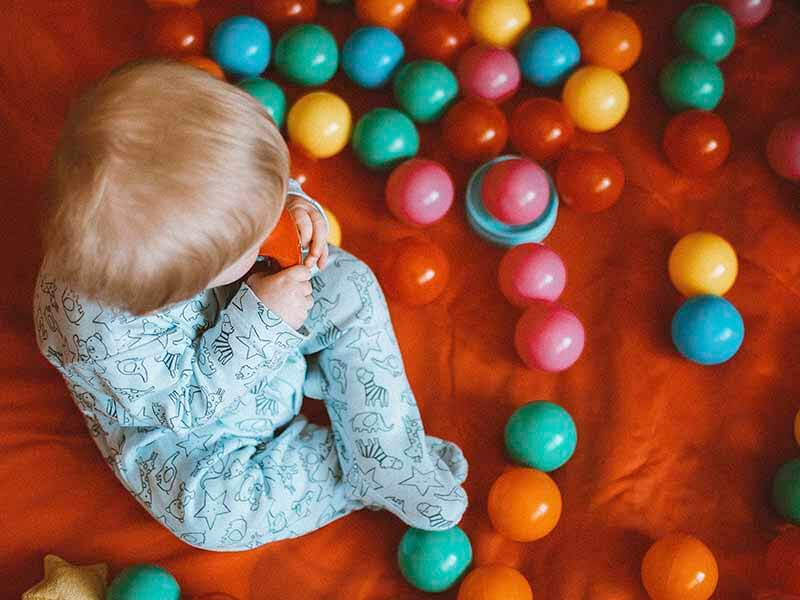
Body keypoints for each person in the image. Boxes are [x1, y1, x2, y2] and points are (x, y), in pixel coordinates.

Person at [33, 60, 468, 551]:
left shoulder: (201, 192)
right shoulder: (103, 338)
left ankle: (387, 456)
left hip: (256, 308)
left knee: (350, 286)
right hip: (192, 420)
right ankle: (349, 473)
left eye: (264, 207)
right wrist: (259, 325)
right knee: (212, 515)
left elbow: (242, 188)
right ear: (186, 285)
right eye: (253, 232)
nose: (270, 228)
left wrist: (290, 200)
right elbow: (182, 409)